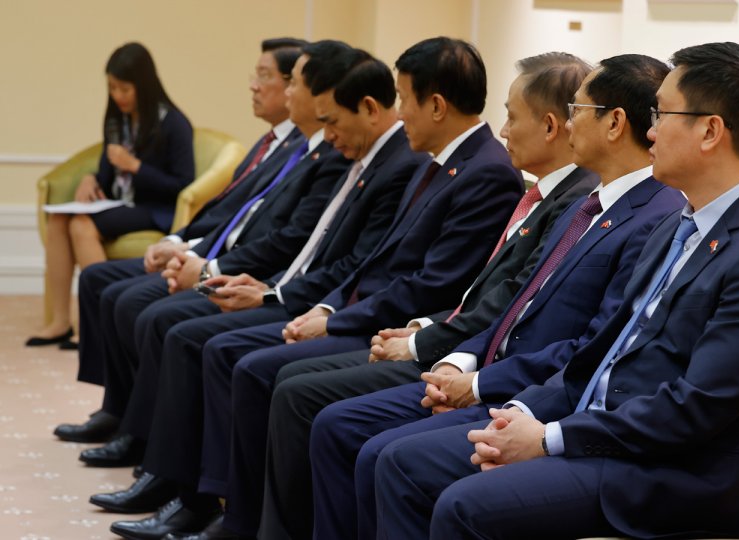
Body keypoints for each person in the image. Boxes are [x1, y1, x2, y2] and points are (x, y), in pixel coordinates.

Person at [374, 42, 739, 540]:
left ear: (710, 131)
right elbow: (600, 352)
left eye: (662, 114)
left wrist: (549, 438)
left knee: (464, 506)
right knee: (403, 463)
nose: (649, 130)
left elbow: (693, 409)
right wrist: (527, 414)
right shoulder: (678, 225)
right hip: (603, 432)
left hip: (674, 476)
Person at [108, 36, 522, 540]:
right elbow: (373, 261)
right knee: (231, 353)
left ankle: (241, 520)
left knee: (260, 370)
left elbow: (431, 285)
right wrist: (319, 306)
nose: (399, 110)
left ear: (435, 105)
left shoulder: (482, 172)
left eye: (404, 97)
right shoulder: (441, 163)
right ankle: (221, 508)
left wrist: (333, 317)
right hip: (370, 314)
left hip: (402, 331)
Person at [306, 52, 685, 540]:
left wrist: (481, 384)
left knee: (392, 459)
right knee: (344, 428)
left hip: (530, 393)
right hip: (494, 374)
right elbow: (516, 302)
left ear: (613, 123)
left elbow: (592, 347)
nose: (568, 123)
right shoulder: (589, 203)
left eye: (577, 111)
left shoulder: (653, 216)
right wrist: (460, 363)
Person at [255, 51, 599, 540]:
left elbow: (503, 303)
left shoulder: (567, 200)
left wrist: (436, 351)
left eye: (512, 117)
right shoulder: (540, 191)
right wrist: (426, 335)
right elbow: (486, 293)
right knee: (300, 392)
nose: (503, 131)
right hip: (455, 344)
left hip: (496, 372)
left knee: (326, 413)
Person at [52, 38, 307, 444]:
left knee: (134, 304)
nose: (252, 85)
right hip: (204, 247)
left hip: (236, 264)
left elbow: (194, 194)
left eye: (264, 76)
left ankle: (138, 427)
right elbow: (224, 211)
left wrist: (201, 262)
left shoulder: (304, 151)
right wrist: (178, 241)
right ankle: (116, 407)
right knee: (98, 280)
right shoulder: (270, 143)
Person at [29, 42, 194, 348]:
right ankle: (60, 321)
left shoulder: (173, 123)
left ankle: (95, 327)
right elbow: (107, 172)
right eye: (112, 88)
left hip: (153, 208)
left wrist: (136, 166)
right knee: (59, 220)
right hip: (119, 203)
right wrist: (91, 178)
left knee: (81, 225)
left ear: (143, 86)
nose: (118, 96)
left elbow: (183, 183)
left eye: (124, 89)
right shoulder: (117, 121)